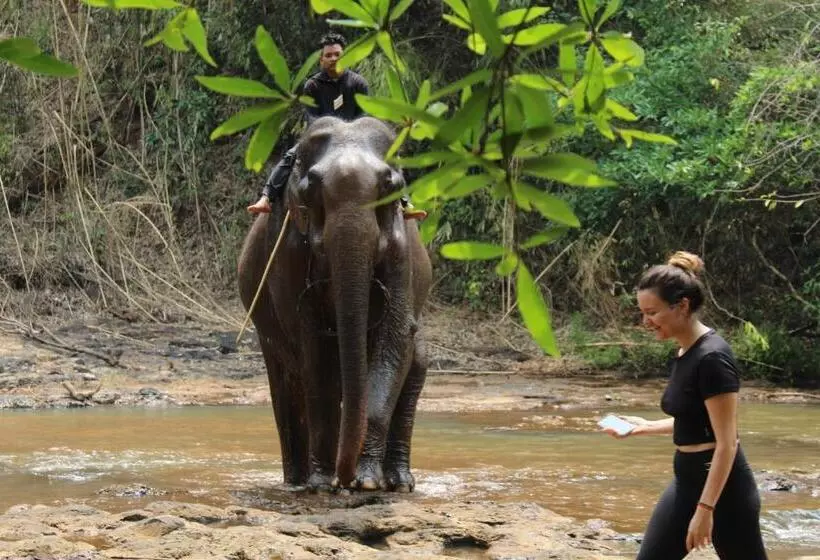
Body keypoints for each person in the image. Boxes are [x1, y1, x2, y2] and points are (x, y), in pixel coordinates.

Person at [602, 251, 767, 560]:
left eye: (652, 312)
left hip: (725, 492)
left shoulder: (712, 358)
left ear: (682, 306)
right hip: (686, 482)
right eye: (642, 313)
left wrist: (706, 510)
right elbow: (695, 422)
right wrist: (642, 427)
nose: (645, 322)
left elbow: (726, 443)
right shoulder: (683, 352)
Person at [247, 32, 425, 220]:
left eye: (337, 54)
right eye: (328, 55)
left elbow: (364, 115)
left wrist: (350, 133)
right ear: (321, 60)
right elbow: (311, 118)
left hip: (357, 139)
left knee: (390, 156)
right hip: (323, 139)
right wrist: (332, 132)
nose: (333, 59)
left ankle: (405, 203)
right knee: (291, 155)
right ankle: (266, 198)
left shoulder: (357, 83)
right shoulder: (312, 86)